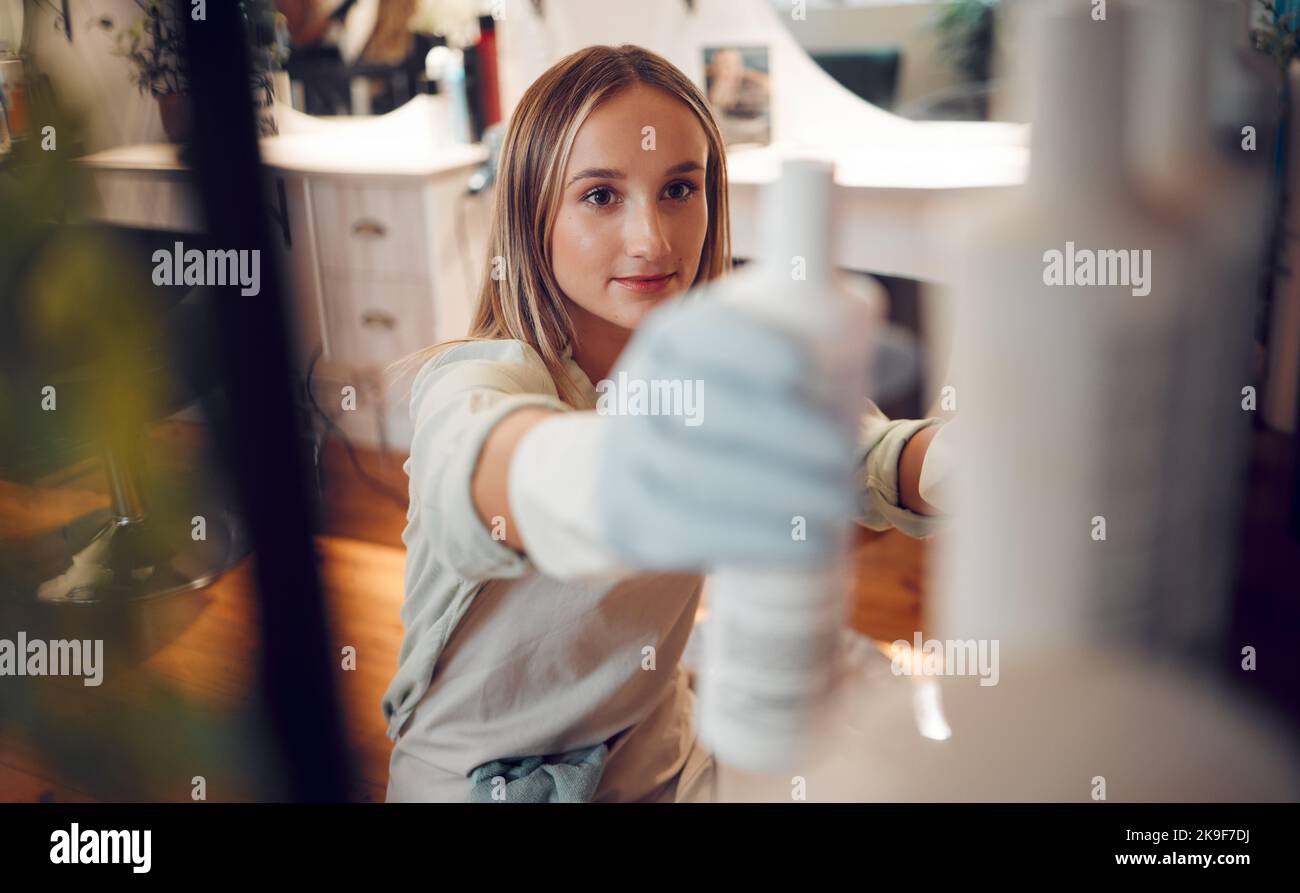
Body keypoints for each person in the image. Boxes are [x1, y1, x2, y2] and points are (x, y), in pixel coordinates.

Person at [381, 44, 948, 803]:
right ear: (530, 212)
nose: (651, 238)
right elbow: (481, 469)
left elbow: (871, 457)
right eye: (601, 196)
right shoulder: (476, 381)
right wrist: (646, 472)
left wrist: (972, 461)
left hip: (664, 762)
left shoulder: (716, 376)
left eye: (679, 188)